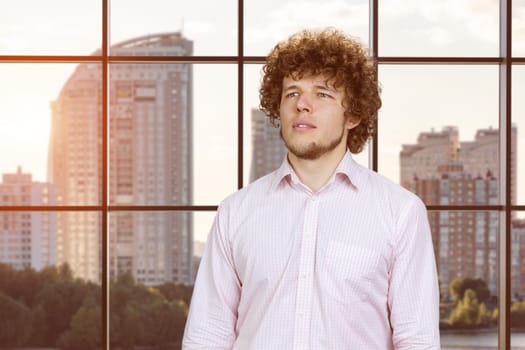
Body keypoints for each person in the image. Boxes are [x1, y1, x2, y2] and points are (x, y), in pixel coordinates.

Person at [182, 28, 440, 349]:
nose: (303, 104)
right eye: (291, 93)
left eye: (323, 94)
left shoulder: (400, 211)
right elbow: (208, 334)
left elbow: (417, 339)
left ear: (354, 115)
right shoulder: (236, 212)